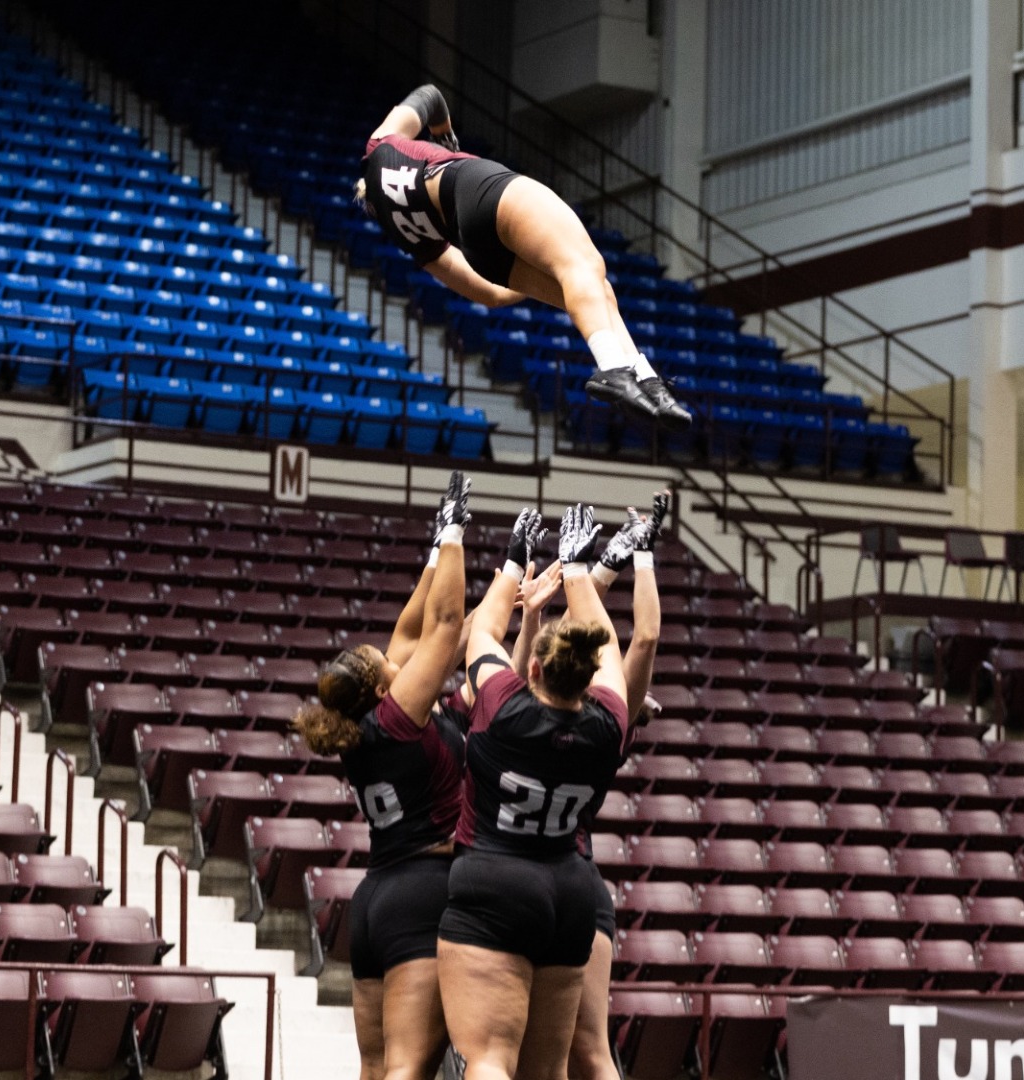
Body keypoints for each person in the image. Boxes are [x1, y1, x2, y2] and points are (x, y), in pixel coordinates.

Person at [358, 84, 693, 433]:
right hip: (476, 187)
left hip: (478, 248)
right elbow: (430, 96)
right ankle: (611, 366)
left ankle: (644, 377)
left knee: (595, 287)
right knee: (585, 266)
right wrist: (443, 134)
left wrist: (549, 275)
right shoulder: (379, 146)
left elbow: (491, 294)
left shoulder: (405, 234)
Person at [292, 473, 474, 1080]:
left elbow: (413, 629)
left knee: (373, 1068)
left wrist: (435, 552)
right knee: (405, 1069)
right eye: (385, 663)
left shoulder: (366, 725)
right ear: (379, 688)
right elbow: (443, 625)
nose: (395, 655)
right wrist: (455, 533)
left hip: (375, 901)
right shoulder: (398, 717)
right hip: (424, 892)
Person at [438, 503, 630, 1080]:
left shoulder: (503, 704)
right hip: (570, 890)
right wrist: (578, 571)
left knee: (490, 1058)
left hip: (495, 880)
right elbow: (611, 649)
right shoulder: (608, 724)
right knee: (549, 1071)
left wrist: (514, 561)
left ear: (536, 672)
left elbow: (484, 632)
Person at [514, 494, 668, 1080]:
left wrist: (591, 572)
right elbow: (640, 639)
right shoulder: (610, 725)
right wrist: (627, 562)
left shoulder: (510, 717)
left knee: (511, 1055)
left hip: (509, 886)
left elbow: (556, 650)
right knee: (588, 1055)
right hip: (577, 885)